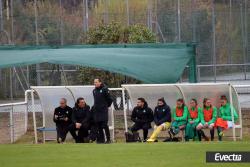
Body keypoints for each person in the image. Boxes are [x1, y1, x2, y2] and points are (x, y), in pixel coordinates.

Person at [93, 78, 113, 144]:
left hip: (103, 110)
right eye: (94, 82)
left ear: (100, 82)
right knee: (99, 125)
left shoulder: (105, 89)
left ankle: (108, 139)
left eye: (96, 82)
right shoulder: (94, 91)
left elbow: (110, 99)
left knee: (104, 125)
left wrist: (106, 106)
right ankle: (101, 140)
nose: (95, 83)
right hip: (97, 111)